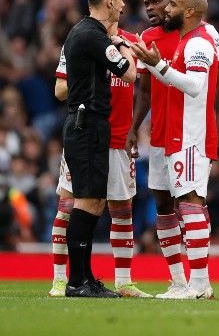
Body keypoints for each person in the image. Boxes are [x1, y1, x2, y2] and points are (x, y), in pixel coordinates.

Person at [126, 0, 219, 299]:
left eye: (168, 3)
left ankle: (198, 284)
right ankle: (185, 283)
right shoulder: (183, 40)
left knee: (190, 202)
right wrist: (151, 63)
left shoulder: (201, 40)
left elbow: (198, 86)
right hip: (169, 135)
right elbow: (159, 86)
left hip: (190, 134)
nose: (160, 9)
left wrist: (158, 64)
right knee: (175, 204)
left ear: (186, 10)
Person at [49, 27, 151, 298]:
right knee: (68, 205)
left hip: (119, 139)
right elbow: (60, 90)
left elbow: (142, 86)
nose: (122, 5)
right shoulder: (79, 41)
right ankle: (60, 279)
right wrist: (90, 77)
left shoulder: (131, 42)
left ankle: (124, 281)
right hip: (85, 136)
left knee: (122, 209)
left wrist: (135, 129)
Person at [60, 0, 137, 297]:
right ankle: (77, 282)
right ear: (108, 1)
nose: (122, 4)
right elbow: (130, 73)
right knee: (88, 201)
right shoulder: (93, 36)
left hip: (88, 124)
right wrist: (123, 44)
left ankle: (85, 278)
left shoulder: (84, 32)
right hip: (87, 124)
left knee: (93, 202)